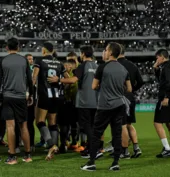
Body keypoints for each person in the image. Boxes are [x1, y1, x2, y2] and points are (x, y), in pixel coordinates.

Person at [81, 42, 132, 171]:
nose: (104, 52)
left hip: (105, 105)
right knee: (116, 133)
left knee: (96, 134)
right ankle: (115, 163)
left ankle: (91, 162)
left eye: (105, 50)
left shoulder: (102, 67)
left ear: (110, 52)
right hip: (119, 104)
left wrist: (104, 87)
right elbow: (129, 89)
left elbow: (93, 86)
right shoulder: (123, 69)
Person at [48, 46, 100, 159]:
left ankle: (93, 150)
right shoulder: (97, 66)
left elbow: (73, 80)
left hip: (84, 101)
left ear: (83, 54)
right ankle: (91, 148)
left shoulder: (83, 66)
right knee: (91, 126)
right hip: (95, 101)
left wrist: (59, 80)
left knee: (85, 126)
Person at [0, 38, 34, 165]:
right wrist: (31, 94)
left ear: (7, 47)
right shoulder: (23, 60)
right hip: (21, 97)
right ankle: (28, 155)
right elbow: (29, 79)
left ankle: (12, 156)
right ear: (18, 47)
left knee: (10, 126)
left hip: (7, 96)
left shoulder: (3, 61)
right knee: (23, 126)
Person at [32, 42, 68, 160]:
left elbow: (34, 77)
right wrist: (59, 83)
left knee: (40, 121)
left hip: (44, 95)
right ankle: (55, 147)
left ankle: (51, 145)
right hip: (56, 96)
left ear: (44, 50)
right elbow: (67, 79)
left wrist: (30, 90)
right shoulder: (59, 63)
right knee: (52, 123)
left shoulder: (39, 60)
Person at [117, 45, 144, 158]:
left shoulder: (114, 65)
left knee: (122, 125)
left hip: (119, 97)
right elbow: (141, 82)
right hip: (130, 97)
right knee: (129, 124)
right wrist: (132, 90)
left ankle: (125, 151)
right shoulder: (132, 65)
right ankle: (136, 148)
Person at [153, 49, 170, 158]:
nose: (156, 59)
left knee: (157, 123)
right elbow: (162, 80)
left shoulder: (167, 67)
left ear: (162, 57)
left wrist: (167, 97)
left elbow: (169, 82)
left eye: (157, 57)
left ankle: (167, 149)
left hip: (166, 98)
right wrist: (156, 69)